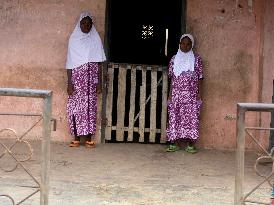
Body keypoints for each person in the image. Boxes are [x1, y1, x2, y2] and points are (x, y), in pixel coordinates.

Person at [66, 11, 106, 148]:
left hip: (91, 81)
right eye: (83, 23)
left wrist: (99, 83)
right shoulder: (73, 39)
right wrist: (69, 83)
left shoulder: (95, 39)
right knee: (76, 108)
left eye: (89, 24)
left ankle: (89, 138)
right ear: (79, 24)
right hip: (77, 81)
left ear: (92, 25)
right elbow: (69, 63)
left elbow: (99, 63)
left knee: (90, 108)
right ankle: (76, 138)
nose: (86, 26)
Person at [166, 34, 203, 153]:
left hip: (191, 95)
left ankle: (190, 144)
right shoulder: (173, 59)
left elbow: (200, 78)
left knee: (191, 118)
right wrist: (170, 95)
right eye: (183, 43)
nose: (185, 46)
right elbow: (171, 78)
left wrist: (199, 94)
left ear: (192, 45)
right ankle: (174, 143)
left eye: (188, 44)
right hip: (176, 94)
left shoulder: (196, 59)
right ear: (179, 44)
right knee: (174, 117)